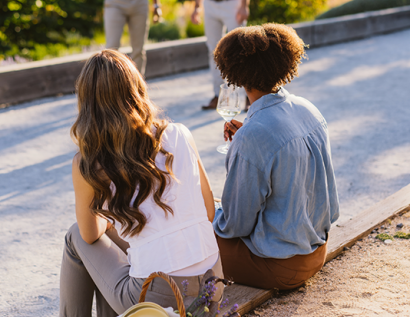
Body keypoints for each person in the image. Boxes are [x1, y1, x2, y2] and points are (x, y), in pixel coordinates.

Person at [59, 49, 223, 317]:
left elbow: (89, 235)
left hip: (157, 298)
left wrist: (109, 218)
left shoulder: (88, 163)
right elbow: (208, 212)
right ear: (137, 88)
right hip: (211, 285)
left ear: (87, 103)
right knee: (115, 240)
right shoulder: (179, 133)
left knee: (75, 236)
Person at [212, 23, 340, 290]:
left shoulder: (253, 137)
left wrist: (209, 213)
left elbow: (235, 225)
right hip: (317, 250)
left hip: (280, 267)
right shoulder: (308, 109)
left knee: (192, 229)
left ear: (234, 72)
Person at [191, 0, 250, 110]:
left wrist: (244, 6)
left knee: (240, 49)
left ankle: (250, 97)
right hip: (210, 4)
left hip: (233, 4)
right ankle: (219, 96)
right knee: (213, 51)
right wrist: (196, 7)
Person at [104, 0, 162, 76]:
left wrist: (156, 4)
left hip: (139, 4)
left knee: (138, 50)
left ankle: (137, 86)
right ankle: (108, 85)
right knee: (111, 50)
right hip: (115, 4)